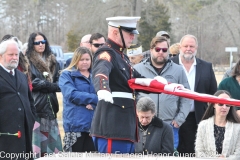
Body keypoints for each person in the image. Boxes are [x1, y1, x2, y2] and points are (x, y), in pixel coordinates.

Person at [90, 16, 144, 153]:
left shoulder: (122, 57)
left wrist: (162, 85)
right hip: (113, 127)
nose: (133, 37)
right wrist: (103, 88)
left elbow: (139, 81)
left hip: (125, 127)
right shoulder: (106, 52)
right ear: (115, 32)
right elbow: (102, 71)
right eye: (129, 33)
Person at [134, 36, 192, 152]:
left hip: (170, 124)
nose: (161, 52)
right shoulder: (137, 69)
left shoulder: (178, 70)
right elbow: (132, 96)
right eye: (158, 49)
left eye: (164, 50)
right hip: (144, 124)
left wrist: (179, 119)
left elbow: (187, 96)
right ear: (151, 50)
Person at [171, 34, 217, 155]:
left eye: (191, 46)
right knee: (173, 152)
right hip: (172, 118)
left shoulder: (206, 67)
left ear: (196, 47)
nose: (188, 48)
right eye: (185, 46)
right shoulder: (169, 64)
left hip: (197, 118)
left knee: (194, 152)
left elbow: (214, 93)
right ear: (180, 47)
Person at [26, 32, 62, 157]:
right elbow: (30, 83)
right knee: (37, 148)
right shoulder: (27, 60)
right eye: (37, 43)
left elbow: (59, 84)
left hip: (52, 106)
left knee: (53, 150)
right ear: (32, 44)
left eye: (43, 42)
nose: (41, 45)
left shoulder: (53, 60)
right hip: (37, 106)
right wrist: (47, 85)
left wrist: (47, 85)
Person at [0, 39, 35, 159]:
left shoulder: (21, 76)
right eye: (11, 55)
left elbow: (30, 101)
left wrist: (31, 117)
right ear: (1, 55)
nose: (14, 57)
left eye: (16, 54)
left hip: (25, 133)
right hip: (5, 136)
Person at [59, 47, 97, 152]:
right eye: (81, 59)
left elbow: (104, 96)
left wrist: (94, 104)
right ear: (76, 60)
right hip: (75, 126)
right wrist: (94, 98)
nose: (85, 62)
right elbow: (71, 94)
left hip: (93, 127)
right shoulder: (67, 75)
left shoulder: (95, 76)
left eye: (87, 59)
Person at [195, 90, 240, 158]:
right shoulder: (203, 125)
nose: (224, 107)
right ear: (214, 105)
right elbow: (199, 152)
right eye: (221, 104)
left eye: (227, 104)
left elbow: (238, 153)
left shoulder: (237, 128)